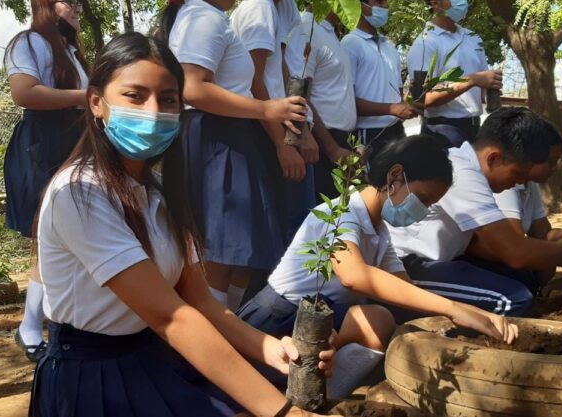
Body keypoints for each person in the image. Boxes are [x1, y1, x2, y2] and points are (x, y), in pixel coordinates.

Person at [29, 32, 336, 417]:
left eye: (168, 99)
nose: (154, 111)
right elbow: (171, 316)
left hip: (149, 360)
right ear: (97, 103)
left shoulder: (158, 193)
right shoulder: (79, 193)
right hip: (91, 381)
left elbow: (201, 301)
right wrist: (282, 411)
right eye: (135, 95)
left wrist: (273, 350)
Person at [239, 135, 518, 400]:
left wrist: (471, 313)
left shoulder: (380, 231)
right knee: (378, 319)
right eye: (423, 199)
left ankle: (317, 398)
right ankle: (283, 395)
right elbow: (354, 276)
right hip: (276, 321)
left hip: (319, 318)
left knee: (381, 325)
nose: (423, 209)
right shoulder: (340, 213)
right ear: (395, 176)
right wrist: (454, 309)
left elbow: (405, 286)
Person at [160, 0, 309, 310]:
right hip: (216, 137)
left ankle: (231, 328)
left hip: (229, 134)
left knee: (239, 254)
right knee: (220, 252)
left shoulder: (214, 17)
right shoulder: (202, 17)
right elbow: (191, 88)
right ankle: (217, 335)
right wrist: (265, 109)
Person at [387, 108, 562, 317]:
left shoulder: (470, 169)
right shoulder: (462, 174)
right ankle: (454, 340)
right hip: (406, 267)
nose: (518, 182)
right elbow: (515, 253)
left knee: (523, 279)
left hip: (443, 261)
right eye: (517, 174)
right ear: (493, 158)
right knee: (512, 299)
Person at [4, 0, 89, 362]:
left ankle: (63, 323)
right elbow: (24, 92)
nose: (77, 9)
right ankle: (29, 327)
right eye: (70, 2)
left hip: (75, 141)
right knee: (46, 234)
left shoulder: (71, 51)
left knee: (74, 234)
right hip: (43, 144)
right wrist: (89, 96)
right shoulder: (29, 42)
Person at [231, 0, 320, 247]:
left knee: (301, 225)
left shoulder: (284, 7)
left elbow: (281, 73)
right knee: (291, 232)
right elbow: (252, 79)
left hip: (286, 129)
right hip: (269, 133)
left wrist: (302, 129)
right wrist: (283, 145)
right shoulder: (260, 7)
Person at [468, 129, 562, 283]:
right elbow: (515, 249)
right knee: (523, 285)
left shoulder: (529, 185)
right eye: (550, 161)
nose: (555, 168)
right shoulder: (506, 185)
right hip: (482, 264)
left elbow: (543, 233)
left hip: (508, 258)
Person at [285, 7, 358, 201]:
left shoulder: (328, 32)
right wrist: (330, 147)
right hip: (322, 145)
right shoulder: (306, 29)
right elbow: (297, 89)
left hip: (340, 143)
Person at [406, 0, 502, 148]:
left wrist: (490, 88)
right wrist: (471, 80)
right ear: (435, 4)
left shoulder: (473, 38)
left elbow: (484, 89)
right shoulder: (425, 44)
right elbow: (422, 98)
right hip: (442, 132)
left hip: (476, 128)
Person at [341, 0, 420, 157]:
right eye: (378, 1)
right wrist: (392, 109)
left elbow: (396, 95)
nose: (385, 6)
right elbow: (346, 101)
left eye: (386, 2)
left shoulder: (389, 46)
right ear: (360, 5)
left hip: (396, 131)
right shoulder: (350, 44)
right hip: (368, 133)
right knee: (374, 181)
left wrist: (408, 103)